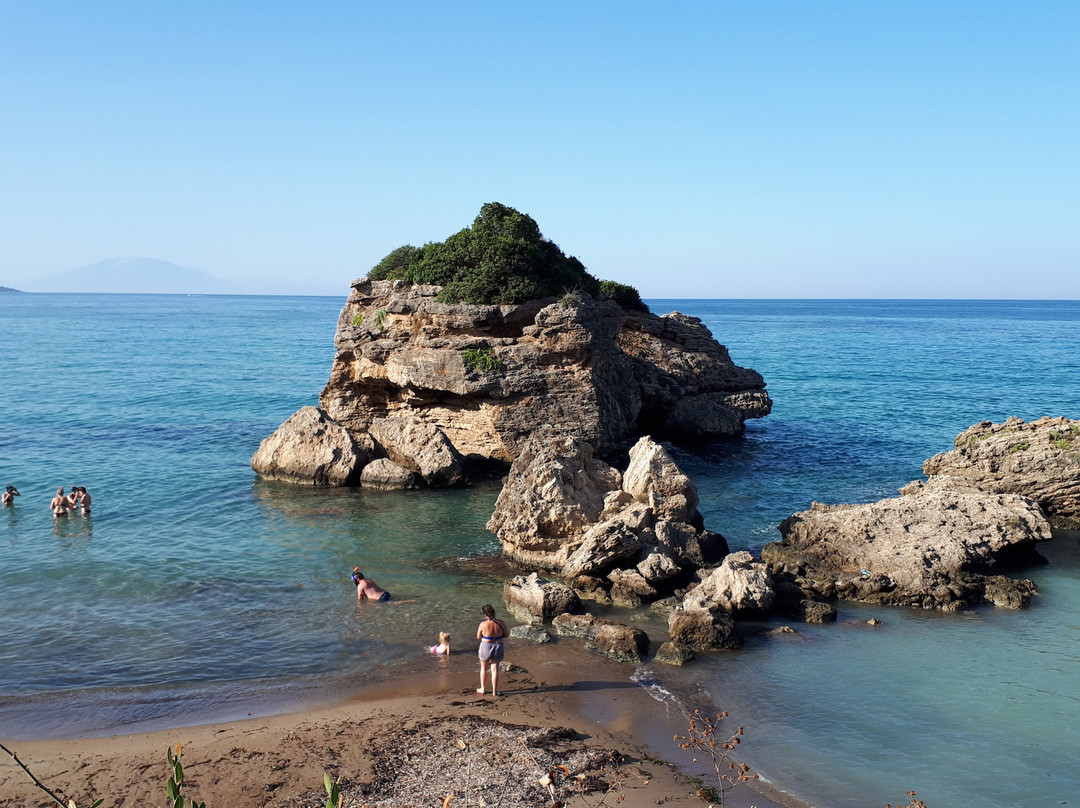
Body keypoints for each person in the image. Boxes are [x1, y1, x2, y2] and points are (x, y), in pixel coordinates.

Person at [476, 604, 508, 696]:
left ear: (485, 615)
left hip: (486, 645)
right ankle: (494, 691)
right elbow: (506, 634)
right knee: (494, 669)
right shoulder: (501, 622)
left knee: (484, 668)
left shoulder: (483, 624)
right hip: (498, 645)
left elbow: (478, 637)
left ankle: (483, 688)